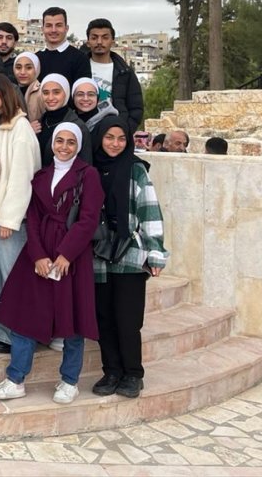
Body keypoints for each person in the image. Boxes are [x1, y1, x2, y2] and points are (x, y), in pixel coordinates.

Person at [0, 122, 104, 404]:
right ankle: (15, 378)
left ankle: (69, 380)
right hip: (39, 252)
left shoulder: (87, 175)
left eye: (70, 142)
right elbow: (32, 218)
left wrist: (66, 254)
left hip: (71, 257)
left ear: (78, 146)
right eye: (59, 141)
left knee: (72, 321)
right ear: (52, 143)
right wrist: (39, 255)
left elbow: (88, 219)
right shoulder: (41, 176)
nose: (64, 147)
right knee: (24, 317)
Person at [91, 116, 168, 399]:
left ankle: (133, 373)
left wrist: (155, 252)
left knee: (127, 319)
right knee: (104, 319)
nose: (114, 144)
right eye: (109, 137)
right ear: (100, 138)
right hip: (97, 256)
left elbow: (149, 209)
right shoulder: (91, 168)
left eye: (121, 138)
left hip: (131, 255)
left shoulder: (136, 170)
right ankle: (111, 371)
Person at [0, 74, 42, 354]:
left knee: (10, 278)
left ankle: (19, 335)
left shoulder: (21, 128)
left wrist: (10, 218)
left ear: (7, 93)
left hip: (9, 220)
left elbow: (22, 176)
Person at [84, 19, 144, 133]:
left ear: (112, 41)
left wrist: (125, 131)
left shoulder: (125, 72)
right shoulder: (79, 69)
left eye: (105, 37)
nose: (99, 42)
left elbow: (136, 108)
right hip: (86, 132)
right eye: (94, 37)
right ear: (88, 42)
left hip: (115, 135)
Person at [37, 74, 91, 167]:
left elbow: (86, 165)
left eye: (56, 92)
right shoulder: (40, 122)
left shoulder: (78, 127)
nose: (50, 97)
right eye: (45, 93)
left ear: (66, 93)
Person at [35, 7, 87, 84]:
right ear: (42, 29)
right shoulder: (35, 59)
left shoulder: (80, 58)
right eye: (49, 26)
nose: (53, 30)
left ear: (66, 28)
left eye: (58, 25)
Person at [12, 51, 44, 125]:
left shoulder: (42, 92)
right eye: (18, 67)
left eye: (29, 68)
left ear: (36, 69)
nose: (22, 72)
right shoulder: (10, 90)